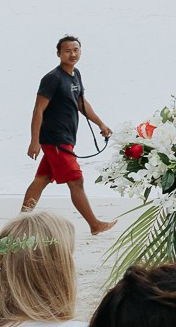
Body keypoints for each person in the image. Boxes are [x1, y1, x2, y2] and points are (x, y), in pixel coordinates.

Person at [23, 35, 116, 235]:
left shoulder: (76, 75)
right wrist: (34, 141)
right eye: (67, 51)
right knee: (76, 181)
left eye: (76, 50)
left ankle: (21, 221)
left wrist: (101, 123)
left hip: (65, 139)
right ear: (58, 54)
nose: (72, 54)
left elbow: (81, 102)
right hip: (56, 140)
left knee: (41, 179)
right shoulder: (52, 78)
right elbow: (38, 110)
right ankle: (94, 224)